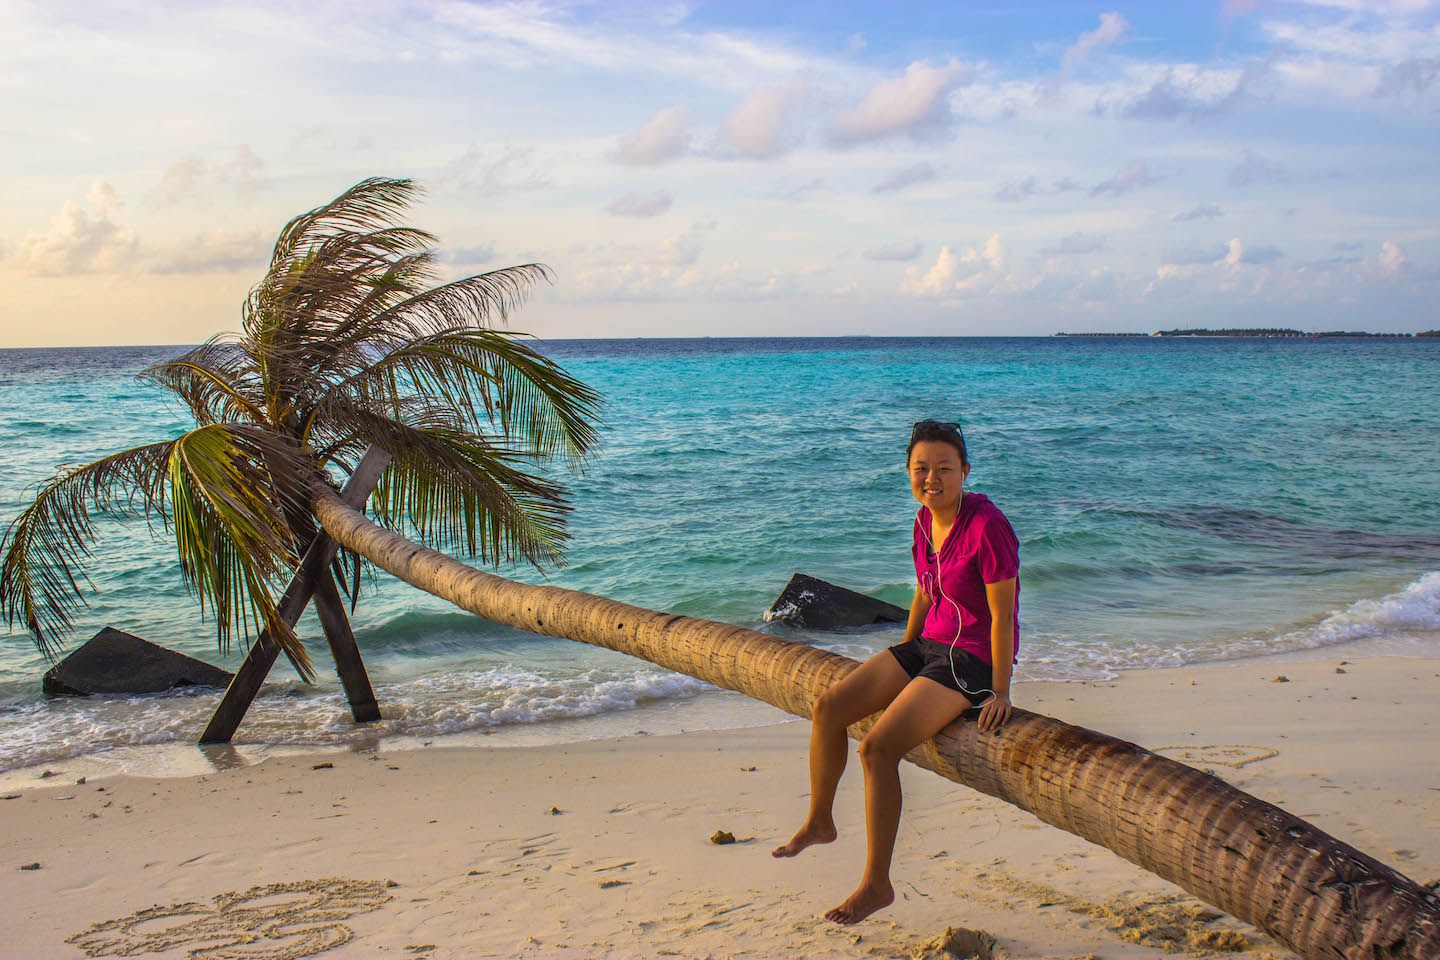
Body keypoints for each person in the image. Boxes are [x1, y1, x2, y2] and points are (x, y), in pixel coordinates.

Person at [771, 418, 1021, 926]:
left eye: (944, 469)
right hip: (930, 645)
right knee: (829, 707)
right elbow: (926, 592)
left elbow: (1002, 615)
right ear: (909, 473)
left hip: (969, 660)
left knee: (877, 749)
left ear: (965, 472)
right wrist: (902, 657)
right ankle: (820, 820)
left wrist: (1000, 689)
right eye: (921, 469)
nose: (932, 478)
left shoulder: (987, 526)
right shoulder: (925, 519)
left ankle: (876, 884)